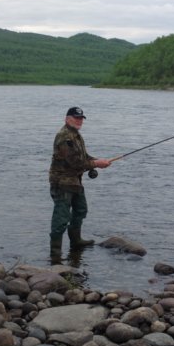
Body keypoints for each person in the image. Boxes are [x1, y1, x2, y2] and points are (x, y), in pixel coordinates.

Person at [49, 106, 112, 257]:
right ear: (67, 119)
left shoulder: (76, 135)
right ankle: (55, 253)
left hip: (74, 181)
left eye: (81, 118)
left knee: (81, 210)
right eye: (76, 118)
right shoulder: (65, 137)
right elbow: (75, 162)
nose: (79, 121)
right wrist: (97, 164)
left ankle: (76, 241)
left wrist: (97, 160)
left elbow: (83, 157)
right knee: (61, 218)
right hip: (62, 183)